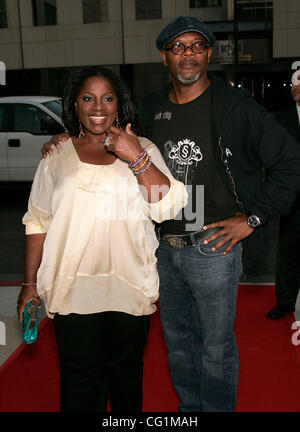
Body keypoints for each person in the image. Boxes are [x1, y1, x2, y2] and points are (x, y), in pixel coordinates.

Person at [42, 18, 300, 412]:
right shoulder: (151, 107)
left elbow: (290, 162)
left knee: (215, 349)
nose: (188, 54)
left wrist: (251, 219)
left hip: (212, 246)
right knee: (179, 349)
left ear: (208, 54)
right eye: (178, 47)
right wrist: (68, 136)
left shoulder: (235, 107)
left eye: (197, 46)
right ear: (164, 56)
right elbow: (109, 137)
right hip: (162, 248)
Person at [17, 66, 187, 413]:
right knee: (79, 383)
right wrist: (30, 283)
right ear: (74, 105)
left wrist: (136, 157)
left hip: (128, 287)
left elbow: (169, 205)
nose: (98, 107)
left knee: (126, 380)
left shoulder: (144, 148)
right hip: (72, 291)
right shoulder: (56, 156)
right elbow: (37, 221)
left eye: (107, 98)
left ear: (119, 104)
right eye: (88, 98)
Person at [266, 69, 300, 319]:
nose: (296, 87)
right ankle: (285, 301)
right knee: (288, 249)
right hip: (293, 195)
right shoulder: (280, 119)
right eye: (294, 84)